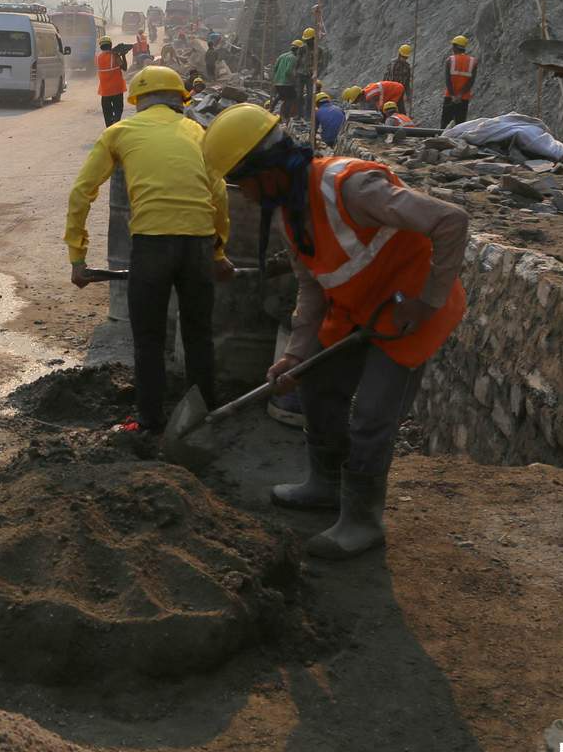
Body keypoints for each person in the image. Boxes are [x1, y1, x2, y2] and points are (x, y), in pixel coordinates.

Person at [200, 104, 468, 558]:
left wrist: (427, 301)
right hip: (358, 308)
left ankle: (363, 520)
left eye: (241, 183)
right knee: (317, 385)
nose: (242, 196)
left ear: (265, 171)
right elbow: (311, 286)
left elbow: (450, 220)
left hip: (408, 312)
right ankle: (325, 484)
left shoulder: (352, 186)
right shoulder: (288, 211)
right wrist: (295, 355)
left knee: (372, 416)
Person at [66, 66, 235, 434]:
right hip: (198, 245)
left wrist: (78, 258)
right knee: (198, 335)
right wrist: (218, 253)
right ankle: (202, 419)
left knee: (149, 340)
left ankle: (150, 422)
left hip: (152, 245)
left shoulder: (120, 132)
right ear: (181, 100)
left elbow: (82, 192)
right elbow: (219, 195)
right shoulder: (198, 132)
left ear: (138, 101)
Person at [439, 36, 476, 128]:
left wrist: (453, 95)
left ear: (455, 47)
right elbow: (471, 81)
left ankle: (441, 140)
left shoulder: (450, 60)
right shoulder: (473, 61)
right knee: (460, 124)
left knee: (445, 124)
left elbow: (448, 80)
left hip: (450, 96)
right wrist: (460, 95)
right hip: (463, 98)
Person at [96, 36, 127, 126]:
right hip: (117, 90)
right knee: (118, 111)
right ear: (110, 45)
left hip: (105, 92)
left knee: (107, 114)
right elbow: (124, 67)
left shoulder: (97, 58)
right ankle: (116, 126)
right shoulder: (115, 56)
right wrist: (123, 55)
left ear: (101, 46)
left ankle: (110, 130)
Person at [272, 39, 304, 119]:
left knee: (281, 95)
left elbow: (275, 68)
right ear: (298, 50)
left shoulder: (282, 56)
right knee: (292, 98)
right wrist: (295, 81)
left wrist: (276, 78)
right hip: (287, 83)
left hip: (277, 83)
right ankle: (286, 117)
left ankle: (271, 108)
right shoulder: (293, 58)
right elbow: (288, 71)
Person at [388, 44, 414, 108]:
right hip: (390, 93)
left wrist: (408, 96)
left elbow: (407, 84)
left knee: (402, 113)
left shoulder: (407, 67)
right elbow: (387, 79)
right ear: (399, 54)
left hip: (399, 95)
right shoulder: (392, 65)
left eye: (406, 57)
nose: (404, 59)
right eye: (403, 56)